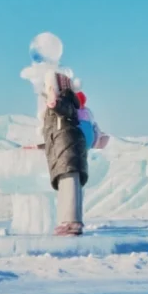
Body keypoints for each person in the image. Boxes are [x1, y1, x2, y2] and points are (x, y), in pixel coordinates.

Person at [43, 71, 89, 235]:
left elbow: (67, 111)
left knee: (70, 184)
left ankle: (72, 222)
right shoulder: (60, 101)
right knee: (67, 185)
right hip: (64, 146)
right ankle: (67, 221)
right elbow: (52, 130)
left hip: (67, 146)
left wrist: (54, 103)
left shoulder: (64, 98)